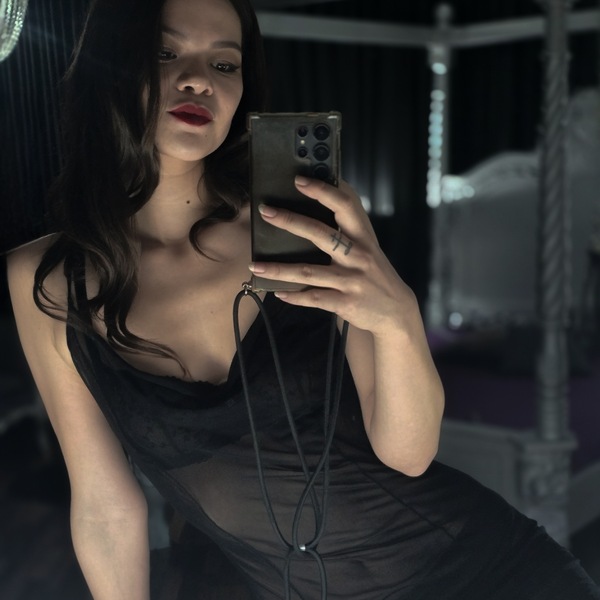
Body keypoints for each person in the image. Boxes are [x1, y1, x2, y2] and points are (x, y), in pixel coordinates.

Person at [5, 0, 600, 598]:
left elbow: (409, 454)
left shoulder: (308, 225)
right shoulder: (50, 279)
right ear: (108, 65)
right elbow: (105, 504)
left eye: (224, 64)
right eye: (165, 51)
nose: (199, 80)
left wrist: (399, 318)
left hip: (487, 574)